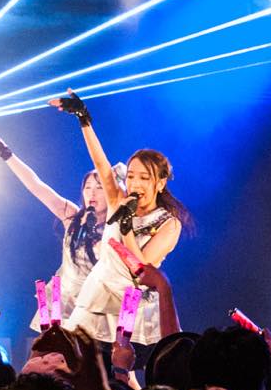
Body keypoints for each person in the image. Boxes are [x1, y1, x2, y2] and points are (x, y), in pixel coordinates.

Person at [48, 90, 188, 373]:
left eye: (144, 177)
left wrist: (126, 230)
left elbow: (143, 269)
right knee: (75, 369)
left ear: (160, 183)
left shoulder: (169, 223)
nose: (135, 183)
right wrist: (84, 119)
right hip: (96, 297)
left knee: (119, 375)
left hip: (129, 307)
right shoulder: (118, 201)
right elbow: (101, 164)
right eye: (132, 176)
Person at [0, 129, 120, 333]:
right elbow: (37, 186)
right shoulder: (72, 216)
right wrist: (7, 155)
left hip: (96, 304)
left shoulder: (116, 227)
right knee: (53, 349)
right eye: (87, 187)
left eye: (99, 187)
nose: (92, 193)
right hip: (63, 300)